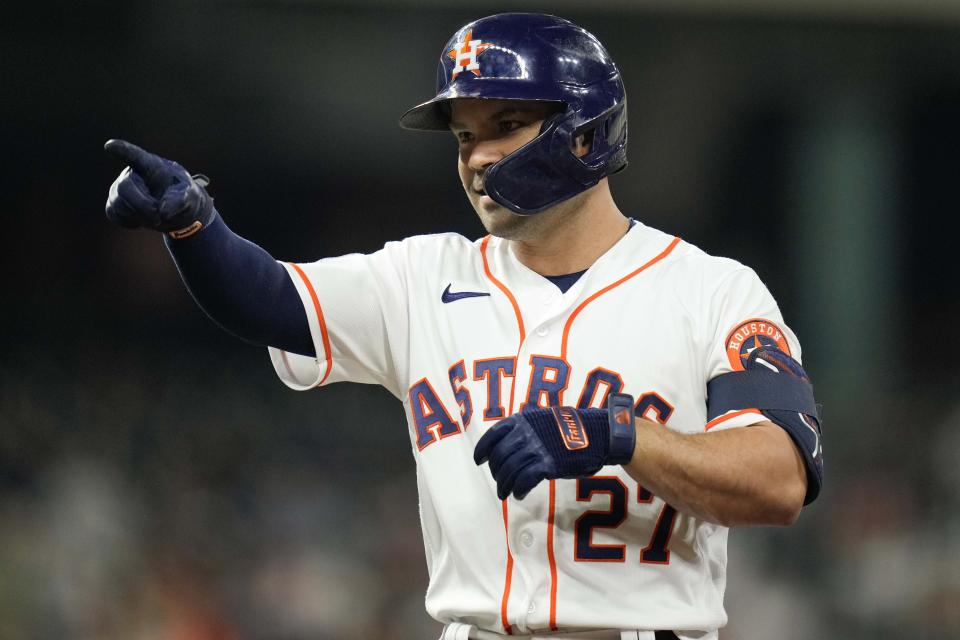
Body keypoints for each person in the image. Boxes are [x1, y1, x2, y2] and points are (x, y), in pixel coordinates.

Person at [103, 12, 823, 640]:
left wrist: (618, 434)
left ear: (584, 135)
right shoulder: (423, 277)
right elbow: (266, 298)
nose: (477, 158)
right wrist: (194, 227)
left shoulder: (710, 290)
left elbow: (780, 478)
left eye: (506, 128)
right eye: (464, 138)